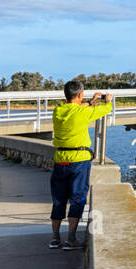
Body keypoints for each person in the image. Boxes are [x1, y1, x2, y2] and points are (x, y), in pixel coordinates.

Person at [50, 81, 113, 250]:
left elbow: (75, 108)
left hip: (60, 158)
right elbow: (105, 110)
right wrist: (108, 100)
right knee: (77, 197)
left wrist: (91, 101)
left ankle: (55, 239)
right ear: (80, 95)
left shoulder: (58, 111)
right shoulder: (83, 112)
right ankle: (71, 238)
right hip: (79, 160)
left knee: (58, 199)